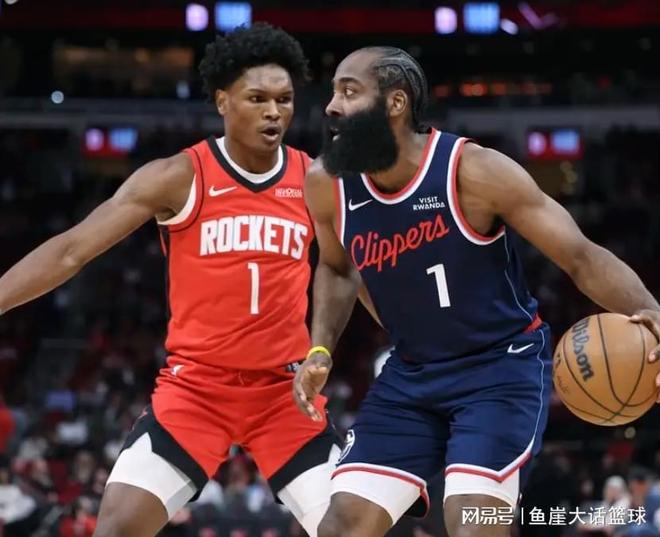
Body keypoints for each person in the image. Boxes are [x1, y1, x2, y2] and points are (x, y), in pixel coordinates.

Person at [293, 46, 660, 537]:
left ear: (396, 103)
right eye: (334, 92)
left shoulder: (474, 171)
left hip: (498, 369)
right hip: (412, 373)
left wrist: (650, 310)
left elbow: (580, 256)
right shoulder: (327, 183)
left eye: (349, 91)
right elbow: (338, 270)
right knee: (341, 527)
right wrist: (320, 349)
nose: (331, 106)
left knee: (472, 523)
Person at [0, 24, 339, 537]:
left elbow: (347, 269)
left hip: (284, 390)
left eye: (284, 99)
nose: (274, 111)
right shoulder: (178, 176)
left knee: (349, 528)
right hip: (198, 389)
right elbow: (71, 250)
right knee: (116, 528)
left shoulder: (314, 179)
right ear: (223, 101)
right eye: (258, 98)